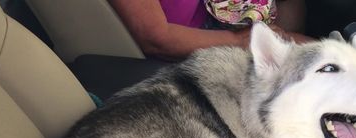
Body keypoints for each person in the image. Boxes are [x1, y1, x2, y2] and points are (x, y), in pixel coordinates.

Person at [109, 0, 311, 60]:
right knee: (308, 54)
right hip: (198, 41)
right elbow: (157, 39)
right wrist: (238, 41)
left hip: (219, 12)